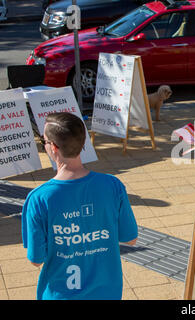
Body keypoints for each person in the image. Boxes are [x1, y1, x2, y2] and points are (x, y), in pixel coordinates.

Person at [21, 112, 138, 300]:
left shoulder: (39, 198)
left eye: (44, 141)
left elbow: (36, 259)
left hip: (60, 294)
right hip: (107, 293)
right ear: (83, 143)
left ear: (53, 147)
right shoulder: (112, 186)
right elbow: (130, 238)